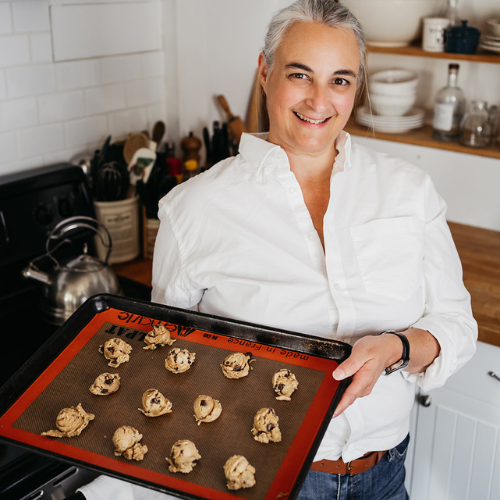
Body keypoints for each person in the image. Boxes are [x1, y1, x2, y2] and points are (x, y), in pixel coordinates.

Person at [151, 1, 477, 499]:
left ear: (357, 87)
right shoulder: (193, 210)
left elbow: (456, 325)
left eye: (340, 80)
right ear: (264, 71)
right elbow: (170, 361)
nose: (319, 100)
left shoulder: (409, 191)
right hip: (261, 478)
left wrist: (398, 348)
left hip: (385, 475)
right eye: (300, 74)